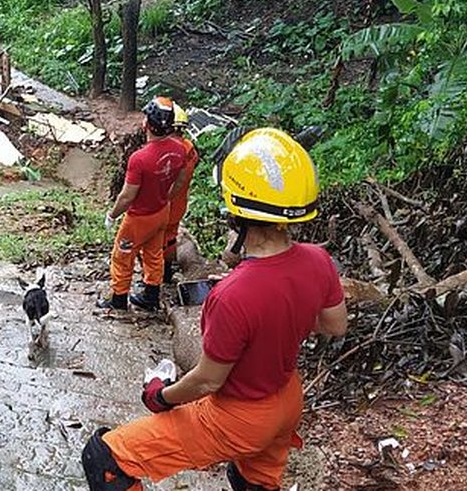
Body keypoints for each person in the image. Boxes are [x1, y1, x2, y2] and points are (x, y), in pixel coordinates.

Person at [82, 128, 349, 491]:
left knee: (104, 459)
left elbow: (209, 380)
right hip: (287, 400)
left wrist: (160, 395)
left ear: (235, 214)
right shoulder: (318, 259)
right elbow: (334, 324)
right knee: (252, 479)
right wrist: (281, 317)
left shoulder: (233, 293)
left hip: (239, 416)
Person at [99, 97, 188, 312]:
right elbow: (182, 179)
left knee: (122, 256)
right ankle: (151, 296)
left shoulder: (139, 158)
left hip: (138, 218)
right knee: (154, 253)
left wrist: (112, 215)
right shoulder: (180, 149)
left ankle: (119, 298)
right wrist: (166, 197)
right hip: (161, 212)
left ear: (146, 124)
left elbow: (127, 196)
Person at [161, 104, 200, 285]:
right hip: (179, 203)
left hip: (164, 202)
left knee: (155, 241)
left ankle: (153, 279)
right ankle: (166, 274)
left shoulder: (169, 150)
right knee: (170, 237)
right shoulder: (189, 148)